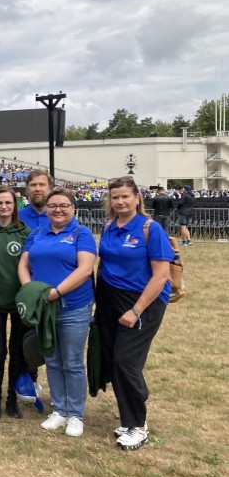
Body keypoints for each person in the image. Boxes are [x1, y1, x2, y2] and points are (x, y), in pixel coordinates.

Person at [96, 177, 174, 450]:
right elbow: (104, 265)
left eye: (125, 197)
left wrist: (136, 309)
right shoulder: (108, 226)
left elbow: (161, 276)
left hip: (142, 302)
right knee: (112, 359)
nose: (120, 202)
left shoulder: (150, 229)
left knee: (125, 360)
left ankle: (139, 425)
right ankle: (128, 420)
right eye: (115, 197)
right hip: (110, 299)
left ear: (137, 198)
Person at [17, 187, 96, 437]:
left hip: (73, 306)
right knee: (52, 358)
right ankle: (59, 409)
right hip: (44, 308)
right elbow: (23, 264)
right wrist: (31, 291)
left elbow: (84, 269)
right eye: (53, 206)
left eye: (64, 205)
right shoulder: (38, 233)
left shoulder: (81, 234)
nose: (58, 210)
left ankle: (75, 414)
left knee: (72, 362)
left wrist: (56, 292)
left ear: (73, 208)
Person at [0, 186, 32, 419]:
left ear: (14, 205)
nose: (3, 207)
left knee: (17, 350)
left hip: (19, 300)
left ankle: (12, 398)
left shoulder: (25, 232)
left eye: (8, 203)